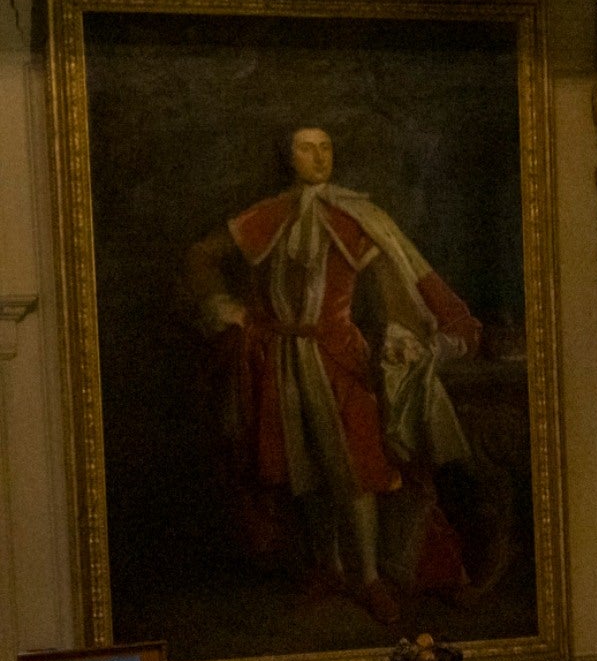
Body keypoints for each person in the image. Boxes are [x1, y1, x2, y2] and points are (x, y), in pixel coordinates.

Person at [186, 125, 484, 626]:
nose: (319, 157)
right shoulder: (271, 213)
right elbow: (201, 257)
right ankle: (331, 567)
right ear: (289, 157)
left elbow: (396, 275)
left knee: (357, 466)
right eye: (307, 148)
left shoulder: (358, 215)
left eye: (326, 148)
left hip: (340, 353)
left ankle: (368, 575)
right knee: (306, 470)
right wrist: (224, 306)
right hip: (280, 358)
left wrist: (401, 331)